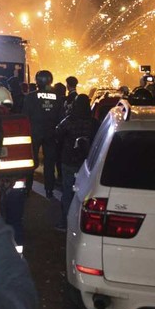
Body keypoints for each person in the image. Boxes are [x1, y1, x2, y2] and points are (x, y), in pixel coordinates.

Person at [54, 94, 98, 231]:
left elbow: (57, 135)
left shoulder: (68, 121)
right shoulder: (94, 123)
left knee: (67, 192)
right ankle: (83, 224)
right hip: (88, 164)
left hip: (69, 161)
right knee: (88, 194)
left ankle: (65, 223)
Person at [23, 70, 62, 199]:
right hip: (51, 133)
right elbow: (61, 116)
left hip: (34, 132)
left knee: (30, 162)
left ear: (37, 82)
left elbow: (25, 116)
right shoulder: (57, 96)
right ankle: (49, 190)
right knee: (49, 163)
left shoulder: (30, 97)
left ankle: (27, 188)